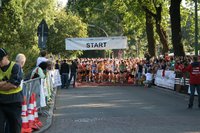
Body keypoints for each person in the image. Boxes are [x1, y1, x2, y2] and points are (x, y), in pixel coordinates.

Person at [0, 48, 23, 133]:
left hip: (14, 102)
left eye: (0, 60)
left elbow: (14, 85)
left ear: (6, 56)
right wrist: (7, 81)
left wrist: (4, 84)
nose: (0, 63)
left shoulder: (16, 67)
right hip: (1, 102)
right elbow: (10, 84)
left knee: (15, 128)